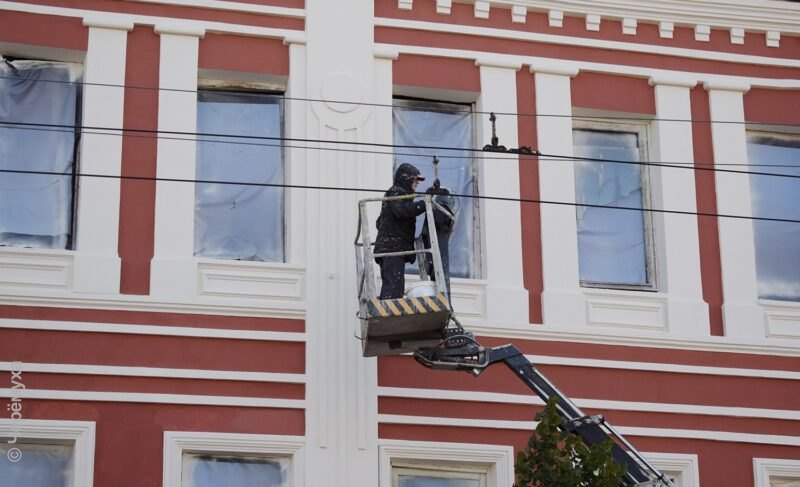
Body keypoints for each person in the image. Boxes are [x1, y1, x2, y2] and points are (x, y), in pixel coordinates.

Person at [374, 163, 426, 299]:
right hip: (391, 250)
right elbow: (402, 211)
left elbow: (380, 221)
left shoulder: (399, 195)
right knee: (393, 284)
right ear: (406, 178)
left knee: (397, 284)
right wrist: (423, 204)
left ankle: (389, 307)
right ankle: (387, 309)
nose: (417, 184)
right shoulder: (395, 192)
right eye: (415, 180)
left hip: (393, 249)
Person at [420, 180, 456, 301]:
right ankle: (442, 298)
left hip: (437, 257)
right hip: (434, 257)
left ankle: (443, 298)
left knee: (439, 275)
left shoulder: (443, 213)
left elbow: (441, 218)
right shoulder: (438, 214)